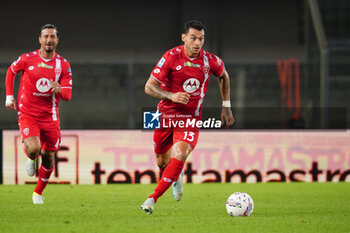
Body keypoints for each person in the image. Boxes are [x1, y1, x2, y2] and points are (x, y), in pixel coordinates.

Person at [141, 20, 234, 214]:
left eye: (201, 39)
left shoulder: (210, 61)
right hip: (165, 115)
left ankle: (152, 198)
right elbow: (149, 86)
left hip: (190, 117)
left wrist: (226, 106)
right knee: (161, 162)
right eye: (193, 38)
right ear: (184, 38)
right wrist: (171, 95)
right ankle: (177, 175)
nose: (197, 43)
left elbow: (224, 76)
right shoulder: (171, 57)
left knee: (181, 154)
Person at [5, 24, 73, 204]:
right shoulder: (27, 59)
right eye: (46, 36)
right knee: (35, 148)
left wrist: (58, 90)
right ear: (40, 39)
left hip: (50, 116)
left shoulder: (63, 64)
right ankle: (31, 156)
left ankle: (38, 193)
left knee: (50, 158)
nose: (49, 40)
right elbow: (11, 72)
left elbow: (67, 95)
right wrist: (9, 96)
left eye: (52, 37)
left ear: (57, 40)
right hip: (28, 113)